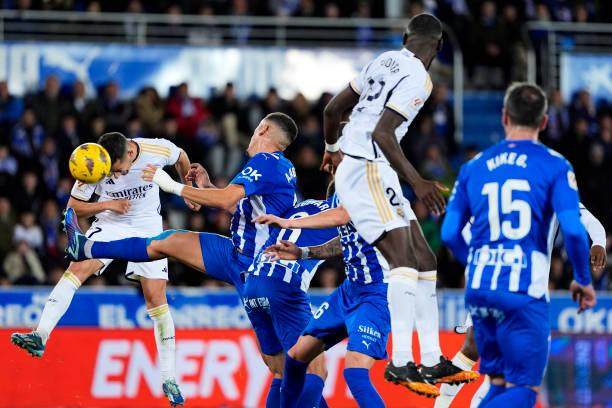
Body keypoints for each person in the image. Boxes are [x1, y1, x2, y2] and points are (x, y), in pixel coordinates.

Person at [11, 132, 196, 407]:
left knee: (156, 298)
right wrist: (108, 204)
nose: (115, 175)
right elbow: (72, 208)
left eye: (118, 169)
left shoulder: (155, 149)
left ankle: (169, 378)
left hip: (147, 224)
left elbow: (181, 156)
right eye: (111, 172)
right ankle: (41, 334)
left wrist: (187, 186)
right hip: (111, 223)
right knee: (77, 268)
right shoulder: (95, 162)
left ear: (130, 154)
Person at [441, 83, 597, 407]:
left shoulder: (474, 166)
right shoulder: (555, 166)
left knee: (498, 384)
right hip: (524, 292)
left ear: (504, 117)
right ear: (544, 121)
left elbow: (449, 234)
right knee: (524, 391)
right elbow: (573, 230)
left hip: (481, 290)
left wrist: (476, 264)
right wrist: (583, 279)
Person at [318, 12, 449, 392]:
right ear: (438, 46)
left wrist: (331, 147)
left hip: (367, 165)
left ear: (406, 38)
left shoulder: (384, 60)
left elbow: (332, 111)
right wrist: (418, 181)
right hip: (367, 165)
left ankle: (430, 359)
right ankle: (402, 361)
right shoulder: (420, 78)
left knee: (424, 258)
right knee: (403, 260)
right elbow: (383, 133)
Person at [256, 187, 478, 406]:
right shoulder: (342, 190)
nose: (324, 166)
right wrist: (304, 252)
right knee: (296, 356)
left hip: (378, 293)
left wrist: (287, 222)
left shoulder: (364, 184)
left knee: (355, 372)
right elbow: (346, 239)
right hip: (349, 290)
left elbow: (343, 215)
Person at [436, 202, 607, 408]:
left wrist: (599, 242)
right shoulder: (498, 190)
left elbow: (588, 220)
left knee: (506, 372)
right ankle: (440, 404)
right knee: (472, 347)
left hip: (530, 296)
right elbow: (465, 227)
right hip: (494, 283)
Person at [244, 198, 338, 408]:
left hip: (253, 283)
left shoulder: (303, 205)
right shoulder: (342, 216)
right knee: (315, 370)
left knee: (282, 372)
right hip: (284, 284)